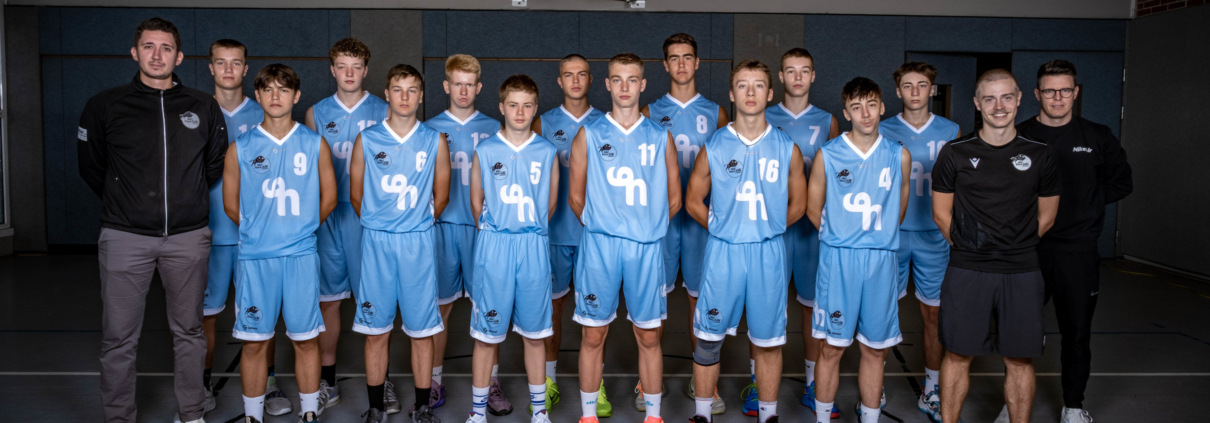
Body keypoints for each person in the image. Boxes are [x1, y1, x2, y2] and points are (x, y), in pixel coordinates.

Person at [78, 17, 226, 423]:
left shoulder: (202, 105)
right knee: (119, 338)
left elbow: (213, 165)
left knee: (189, 332)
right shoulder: (105, 105)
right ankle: (119, 417)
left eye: (166, 48)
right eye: (148, 46)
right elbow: (92, 167)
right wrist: (128, 203)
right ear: (134, 52)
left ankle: (192, 414)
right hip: (124, 237)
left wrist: (183, 200)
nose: (157, 55)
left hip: (187, 238)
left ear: (179, 57)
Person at [933, 69, 1062, 423]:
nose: (999, 106)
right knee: (957, 355)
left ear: (1019, 99)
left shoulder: (1041, 154)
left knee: (1019, 359)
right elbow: (941, 214)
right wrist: (970, 247)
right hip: (967, 269)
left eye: (1006, 97)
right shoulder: (955, 152)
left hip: (1021, 270)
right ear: (977, 104)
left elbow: (1047, 217)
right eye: (989, 99)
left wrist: (1013, 246)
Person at [683, 60, 807, 423]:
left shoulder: (787, 147)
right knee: (709, 339)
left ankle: (768, 416)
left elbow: (799, 204)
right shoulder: (715, 145)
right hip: (724, 251)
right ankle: (702, 414)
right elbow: (693, 201)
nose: (750, 93)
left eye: (758, 86)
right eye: (742, 85)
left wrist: (765, 229)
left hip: (768, 252)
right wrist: (724, 228)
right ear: (732, 93)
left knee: (768, 341)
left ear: (770, 94)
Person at [1016, 60, 1132, 423]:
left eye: (1065, 90)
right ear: (1037, 94)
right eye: (1050, 91)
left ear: (1075, 92)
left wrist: (1087, 204)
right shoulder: (1019, 135)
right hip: (1029, 250)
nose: (1058, 97)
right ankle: (1014, 403)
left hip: (1078, 251)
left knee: (1077, 334)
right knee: (1019, 332)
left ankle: (1073, 406)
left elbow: (1122, 182)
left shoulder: (1097, 135)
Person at [222, 63, 338, 423]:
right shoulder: (240, 148)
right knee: (255, 342)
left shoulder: (314, 143)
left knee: (305, 339)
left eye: (283, 89)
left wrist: (299, 231)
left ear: (296, 96)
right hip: (256, 259)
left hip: (300, 257)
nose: (276, 96)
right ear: (257, 95)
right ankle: (253, 417)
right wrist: (262, 232)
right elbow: (231, 205)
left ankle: (309, 413)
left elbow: (329, 198)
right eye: (268, 89)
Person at [570, 52, 681, 423]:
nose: (624, 87)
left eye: (632, 80)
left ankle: (654, 417)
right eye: (617, 79)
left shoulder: (660, 136)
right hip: (600, 248)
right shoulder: (589, 133)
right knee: (593, 335)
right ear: (607, 84)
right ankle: (588, 417)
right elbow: (576, 198)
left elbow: (674, 199)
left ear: (643, 84)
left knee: (649, 336)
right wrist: (605, 226)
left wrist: (645, 229)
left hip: (645, 249)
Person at [348, 64, 451, 423]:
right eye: (397, 89)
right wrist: (383, 224)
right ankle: (376, 407)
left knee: (421, 330)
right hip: (377, 243)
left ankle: (422, 407)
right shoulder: (367, 139)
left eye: (412, 90)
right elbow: (357, 196)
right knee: (376, 330)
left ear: (421, 96)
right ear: (387, 94)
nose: (404, 97)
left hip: (417, 244)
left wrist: (413, 225)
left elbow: (441, 196)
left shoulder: (434, 140)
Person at [806, 77, 911, 423]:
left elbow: (898, 211)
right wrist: (844, 236)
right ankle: (822, 418)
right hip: (839, 261)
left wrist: (874, 238)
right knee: (831, 348)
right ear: (846, 112)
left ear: (882, 107)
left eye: (871, 105)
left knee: (875, 350)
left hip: (881, 261)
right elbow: (813, 210)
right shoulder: (828, 154)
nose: (865, 113)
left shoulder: (899, 155)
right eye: (856, 107)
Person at [201, 37, 295, 419]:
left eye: (235, 62)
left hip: (257, 238)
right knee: (205, 316)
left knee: (263, 316)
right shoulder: (195, 111)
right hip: (209, 231)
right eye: (221, 62)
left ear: (245, 68)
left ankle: (268, 384)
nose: (228, 69)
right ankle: (201, 386)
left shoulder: (265, 112)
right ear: (210, 67)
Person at [641, 32, 730, 415]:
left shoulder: (717, 113)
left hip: (700, 222)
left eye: (687, 57)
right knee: (653, 300)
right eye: (674, 58)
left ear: (697, 62)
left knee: (700, 300)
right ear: (665, 65)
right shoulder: (648, 112)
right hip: (660, 223)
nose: (681, 64)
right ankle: (649, 382)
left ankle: (703, 380)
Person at [303, 37, 392, 412]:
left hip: (368, 219)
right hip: (328, 217)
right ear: (332, 70)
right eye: (342, 66)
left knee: (375, 303)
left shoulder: (385, 109)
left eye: (356, 67)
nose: (349, 73)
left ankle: (383, 383)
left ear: (366, 70)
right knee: (328, 302)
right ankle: (328, 381)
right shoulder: (315, 113)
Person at [464, 74, 560, 423]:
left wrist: (527, 230)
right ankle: (477, 413)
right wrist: (499, 231)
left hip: (532, 246)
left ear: (536, 109)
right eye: (514, 105)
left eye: (527, 105)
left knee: (535, 335)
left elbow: (550, 205)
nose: (520, 112)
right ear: (502, 107)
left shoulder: (547, 151)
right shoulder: (486, 150)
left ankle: (539, 412)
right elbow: (477, 203)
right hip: (495, 247)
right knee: (486, 336)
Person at [424, 53, 512, 414]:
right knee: (439, 310)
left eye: (469, 85)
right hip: (442, 227)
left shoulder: (495, 127)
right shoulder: (429, 128)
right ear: (446, 86)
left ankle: (491, 384)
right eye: (457, 84)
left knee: (488, 308)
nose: (463, 91)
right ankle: (433, 381)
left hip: (483, 231)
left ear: (479, 87)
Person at [878, 62, 961, 422]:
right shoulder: (882, 128)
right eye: (908, 85)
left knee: (934, 314)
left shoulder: (951, 130)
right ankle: (875, 384)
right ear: (898, 91)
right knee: (882, 311)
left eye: (922, 85)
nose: (915, 91)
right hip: (891, 234)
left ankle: (932, 389)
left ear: (932, 90)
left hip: (933, 235)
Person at [763, 47, 841, 420]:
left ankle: (813, 385)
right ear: (780, 77)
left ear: (813, 76)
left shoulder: (828, 121)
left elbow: (837, 177)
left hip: (811, 230)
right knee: (766, 307)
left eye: (804, 70)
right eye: (790, 70)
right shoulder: (762, 115)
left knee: (812, 308)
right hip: (773, 228)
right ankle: (757, 385)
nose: (797, 77)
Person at [530, 54, 610, 416]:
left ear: (591, 80)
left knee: (596, 315)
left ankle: (597, 385)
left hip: (596, 236)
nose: (575, 81)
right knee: (553, 309)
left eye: (581, 75)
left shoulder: (606, 123)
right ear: (559, 81)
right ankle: (549, 382)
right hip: (554, 233)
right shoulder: (542, 122)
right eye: (568, 75)